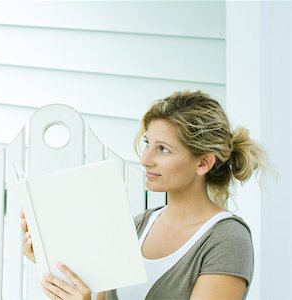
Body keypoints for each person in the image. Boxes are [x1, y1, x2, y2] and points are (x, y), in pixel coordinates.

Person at [20, 90, 269, 300]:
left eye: (163, 149)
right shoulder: (139, 226)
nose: (146, 159)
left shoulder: (227, 239)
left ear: (203, 163)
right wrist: (48, 255)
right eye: (147, 143)